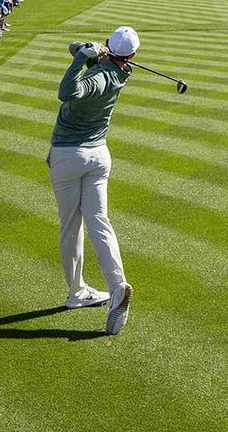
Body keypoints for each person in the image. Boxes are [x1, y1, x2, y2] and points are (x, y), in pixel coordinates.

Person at [50, 27, 141, 335]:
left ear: (107, 46)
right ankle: (117, 286)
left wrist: (84, 58)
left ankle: (77, 292)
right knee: (99, 220)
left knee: (71, 225)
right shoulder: (121, 72)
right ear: (132, 56)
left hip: (68, 156)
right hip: (99, 155)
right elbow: (72, 46)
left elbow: (67, 92)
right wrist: (87, 50)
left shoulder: (99, 77)